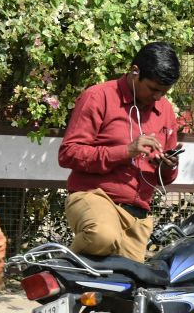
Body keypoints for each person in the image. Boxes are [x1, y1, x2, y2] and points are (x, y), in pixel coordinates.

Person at [58, 42, 182, 262]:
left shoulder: (166, 110)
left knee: (126, 291)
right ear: (135, 72)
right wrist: (126, 151)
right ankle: (58, 268)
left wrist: (167, 166)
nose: (158, 98)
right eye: (153, 89)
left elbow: (166, 178)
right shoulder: (98, 96)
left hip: (138, 216)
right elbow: (68, 153)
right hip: (95, 196)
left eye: (164, 92)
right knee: (102, 236)